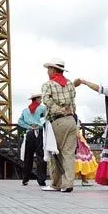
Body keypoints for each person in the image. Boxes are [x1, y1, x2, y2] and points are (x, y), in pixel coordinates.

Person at [40, 58, 78, 193]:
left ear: (54, 70)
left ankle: (56, 183)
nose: (48, 72)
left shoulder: (48, 84)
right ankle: (68, 183)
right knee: (69, 154)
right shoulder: (70, 84)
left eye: (49, 69)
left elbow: (46, 100)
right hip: (71, 121)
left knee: (54, 152)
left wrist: (58, 109)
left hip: (57, 121)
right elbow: (73, 103)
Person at [17, 92, 47, 187]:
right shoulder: (43, 108)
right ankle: (41, 179)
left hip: (30, 133)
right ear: (37, 99)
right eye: (40, 98)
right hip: (40, 132)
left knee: (28, 157)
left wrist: (29, 127)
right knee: (40, 156)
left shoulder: (25, 110)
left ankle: (25, 179)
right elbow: (46, 119)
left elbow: (20, 122)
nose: (41, 100)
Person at [74, 117, 98, 186]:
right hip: (77, 139)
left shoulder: (75, 118)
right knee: (81, 160)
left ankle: (83, 179)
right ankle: (83, 180)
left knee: (81, 160)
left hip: (77, 140)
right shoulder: (75, 118)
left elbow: (77, 129)